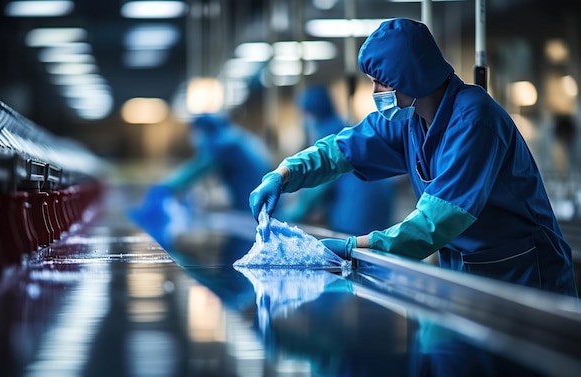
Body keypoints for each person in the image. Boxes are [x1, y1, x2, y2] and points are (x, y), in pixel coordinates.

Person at [248, 18, 578, 297]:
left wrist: (354, 246)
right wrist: (284, 173)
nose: (376, 92)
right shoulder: (410, 120)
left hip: (523, 278)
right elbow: (341, 149)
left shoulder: (474, 121)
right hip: (468, 276)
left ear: (410, 77)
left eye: (381, 82)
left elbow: (435, 222)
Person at [277, 85, 396, 234]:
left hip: (354, 212)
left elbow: (318, 186)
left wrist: (289, 216)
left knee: (353, 250)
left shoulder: (327, 133)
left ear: (311, 113)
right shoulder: (344, 126)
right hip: (379, 211)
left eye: (303, 114)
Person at [145, 112, 273, 212]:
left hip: (253, 203)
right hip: (262, 200)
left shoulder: (223, 143)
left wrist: (167, 186)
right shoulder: (237, 137)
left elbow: (197, 169)